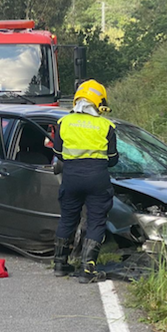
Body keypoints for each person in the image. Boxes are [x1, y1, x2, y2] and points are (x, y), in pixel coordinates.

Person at [51, 80, 119, 283]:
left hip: (71, 177)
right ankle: (87, 270)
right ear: (99, 102)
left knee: (67, 218)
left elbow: (58, 153)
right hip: (97, 177)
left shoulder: (64, 122)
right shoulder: (107, 126)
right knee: (96, 220)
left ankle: (60, 264)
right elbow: (113, 158)